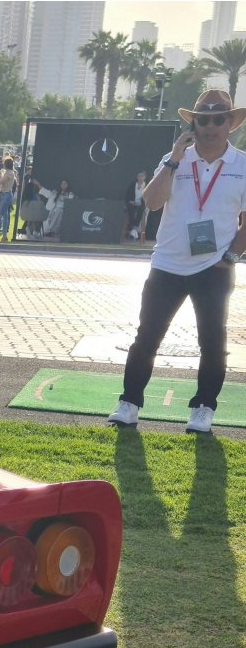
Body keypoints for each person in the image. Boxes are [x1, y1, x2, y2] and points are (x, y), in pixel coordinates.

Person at [107, 89, 246, 436]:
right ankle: (129, 403)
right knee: (147, 337)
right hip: (167, 265)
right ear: (193, 123)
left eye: (219, 119)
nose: (210, 126)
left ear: (230, 124)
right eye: (203, 119)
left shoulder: (242, 164)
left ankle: (203, 408)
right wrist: (173, 159)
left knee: (213, 342)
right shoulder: (175, 159)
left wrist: (231, 257)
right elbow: (151, 202)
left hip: (214, 267)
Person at [0, 157, 18, 242]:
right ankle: (4, 236)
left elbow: (1, 181)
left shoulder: (9, 173)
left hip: (6, 194)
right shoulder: (8, 173)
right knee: (5, 216)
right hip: (5, 194)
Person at [125, 171, 149, 241]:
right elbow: (128, 195)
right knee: (131, 210)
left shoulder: (147, 185)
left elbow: (147, 197)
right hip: (132, 203)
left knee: (141, 210)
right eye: (139, 176)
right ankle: (134, 229)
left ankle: (133, 228)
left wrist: (141, 203)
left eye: (142, 176)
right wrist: (131, 201)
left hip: (141, 204)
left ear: (145, 177)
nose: (140, 178)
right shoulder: (133, 184)